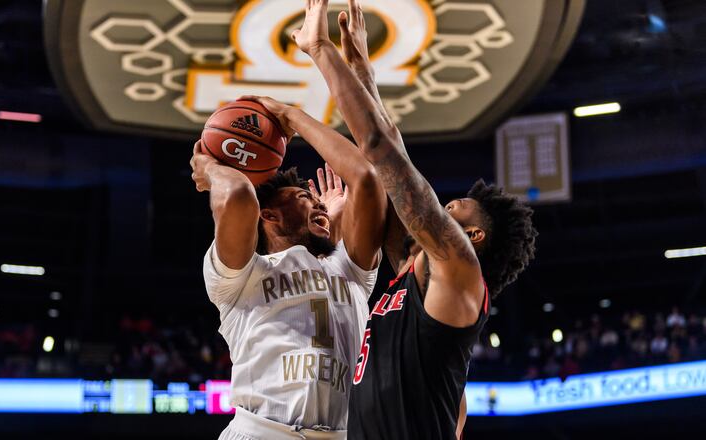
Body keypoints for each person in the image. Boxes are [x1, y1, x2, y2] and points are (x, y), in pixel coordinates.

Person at [289, 1, 538, 438]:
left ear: (474, 235)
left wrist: (320, 49)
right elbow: (388, 152)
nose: (443, 206)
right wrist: (361, 68)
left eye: (455, 207)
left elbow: (381, 148)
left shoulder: (458, 267)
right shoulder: (418, 269)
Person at [190, 100, 386, 439]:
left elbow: (367, 179)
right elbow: (238, 194)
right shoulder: (244, 276)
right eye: (303, 197)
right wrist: (209, 168)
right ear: (269, 216)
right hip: (260, 432)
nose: (319, 202)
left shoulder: (349, 270)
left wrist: (292, 115)